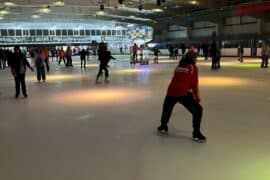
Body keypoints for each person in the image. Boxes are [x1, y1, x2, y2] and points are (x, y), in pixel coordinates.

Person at [157, 50, 206, 142]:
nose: (196, 60)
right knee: (198, 110)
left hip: (171, 91)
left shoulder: (179, 66)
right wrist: (197, 97)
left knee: (167, 108)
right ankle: (196, 133)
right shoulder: (193, 68)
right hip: (182, 93)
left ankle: (163, 126)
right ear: (193, 59)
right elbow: (194, 84)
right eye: (196, 58)